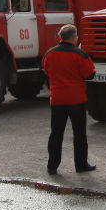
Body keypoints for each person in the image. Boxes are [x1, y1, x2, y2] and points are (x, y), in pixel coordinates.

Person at [42, 24, 96, 174]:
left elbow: (46, 71)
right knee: (79, 134)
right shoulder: (80, 55)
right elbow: (89, 74)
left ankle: (52, 165)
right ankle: (81, 164)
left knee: (56, 133)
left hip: (57, 99)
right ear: (74, 37)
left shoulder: (49, 54)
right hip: (76, 99)